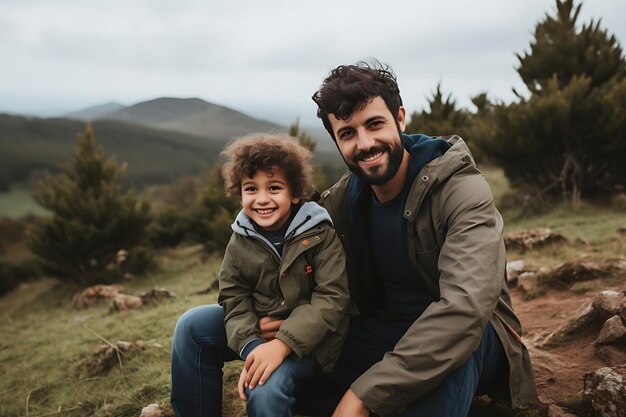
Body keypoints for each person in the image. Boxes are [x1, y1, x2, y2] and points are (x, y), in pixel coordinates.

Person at [171, 61, 537, 417]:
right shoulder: (342, 199)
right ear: (336, 140)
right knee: (196, 328)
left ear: (401, 118)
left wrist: (362, 395)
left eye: (375, 124)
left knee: (454, 351)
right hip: (370, 334)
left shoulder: (460, 190)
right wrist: (282, 324)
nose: (365, 143)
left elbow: (464, 310)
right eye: (347, 133)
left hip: (465, 340)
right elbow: (294, 251)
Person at [171, 133, 349, 417]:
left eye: (274, 188)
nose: (262, 199)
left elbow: (332, 298)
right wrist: (253, 344)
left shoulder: (319, 233)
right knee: (191, 327)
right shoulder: (242, 237)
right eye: (251, 189)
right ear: (239, 193)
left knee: (265, 389)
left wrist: (282, 344)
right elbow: (234, 296)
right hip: (260, 331)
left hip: (309, 341)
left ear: (294, 193)